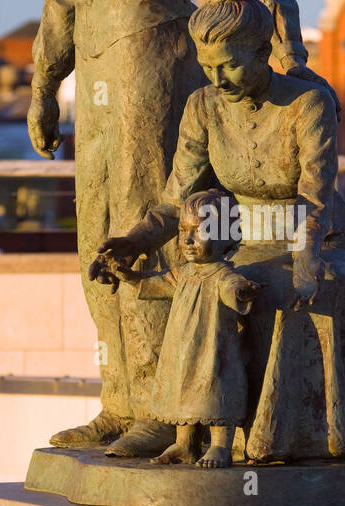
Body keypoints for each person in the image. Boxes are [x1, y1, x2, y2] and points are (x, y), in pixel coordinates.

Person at [28, 0, 323, 456]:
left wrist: (284, 36)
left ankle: (166, 407)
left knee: (152, 228)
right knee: (97, 239)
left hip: (156, 71)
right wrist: (43, 82)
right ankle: (119, 400)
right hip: (94, 91)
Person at [92, 0, 345, 463]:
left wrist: (306, 257)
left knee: (287, 293)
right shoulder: (203, 107)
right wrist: (132, 242)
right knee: (198, 290)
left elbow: (314, 196)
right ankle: (192, 432)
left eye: (229, 64)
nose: (217, 78)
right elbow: (173, 200)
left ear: (263, 51)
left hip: (321, 243)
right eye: (207, 67)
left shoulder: (308, 104)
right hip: (239, 246)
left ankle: (290, 441)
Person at [93, 190, 260, 468]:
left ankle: (220, 446)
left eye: (200, 231)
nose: (189, 240)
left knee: (215, 391)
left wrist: (242, 291)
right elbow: (153, 282)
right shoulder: (183, 273)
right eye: (184, 231)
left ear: (226, 235)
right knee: (183, 392)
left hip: (212, 351)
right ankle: (184, 444)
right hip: (183, 352)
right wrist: (127, 274)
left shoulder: (222, 274)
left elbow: (234, 289)